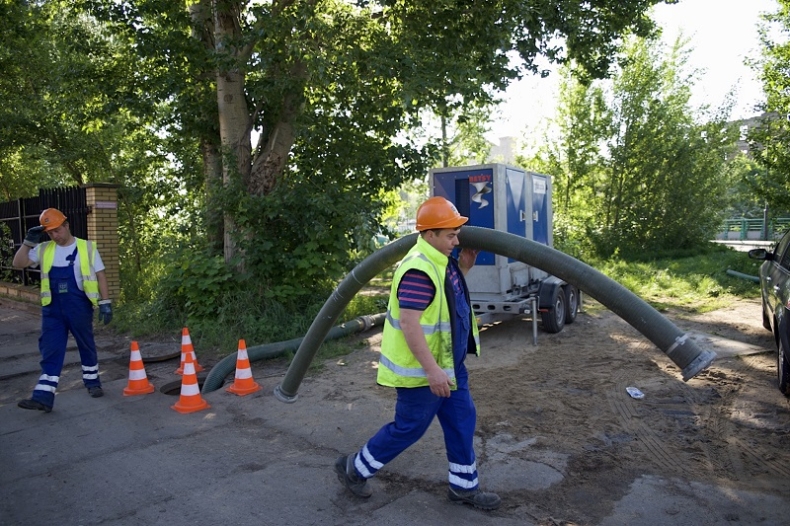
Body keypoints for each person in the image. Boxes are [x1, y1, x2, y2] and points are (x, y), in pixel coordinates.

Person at [335, 196, 501, 511]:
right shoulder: (418, 270)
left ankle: (464, 488)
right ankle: (354, 469)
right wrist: (432, 371)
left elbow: (445, 304)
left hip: (451, 367)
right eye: (450, 234)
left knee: (462, 421)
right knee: (409, 428)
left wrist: (463, 267)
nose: (457, 240)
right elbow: (411, 324)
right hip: (424, 374)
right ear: (429, 234)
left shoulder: (442, 260)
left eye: (457, 233)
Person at [12, 208, 113, 413]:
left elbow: (101, 275)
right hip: (53, 310)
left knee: (85, 342)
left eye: (57, 230)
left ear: (66, 226)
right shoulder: (43, 249)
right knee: (51, 348)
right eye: (50, 233)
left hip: (79, 306)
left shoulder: (87, 248)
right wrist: (28, 242)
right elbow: (18, 263)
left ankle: (92, 382)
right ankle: (44, 396)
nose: (54, 236)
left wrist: (105, 302)